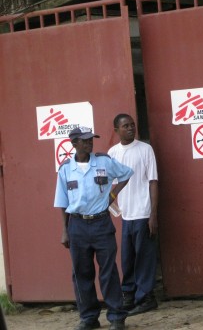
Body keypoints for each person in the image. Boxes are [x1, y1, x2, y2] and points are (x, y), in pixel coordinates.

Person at [54, 126, 134, 330]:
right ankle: (89, 317)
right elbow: (62, 202)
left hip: (101, 223)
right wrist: (65, 230)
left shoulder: (104, 162)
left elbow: (126, 174)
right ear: (74, 144)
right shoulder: (65, 169)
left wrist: (113, 195)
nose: (90, 142)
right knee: (81, 273)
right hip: (77, 225)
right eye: (85, 140)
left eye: (91, 139)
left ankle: (116, 317)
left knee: (108, 271)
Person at [108, 114, 159, 316]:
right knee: (127, 258)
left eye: (132, 125)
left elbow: (153, 181)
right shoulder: (112, 153)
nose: (130, 128)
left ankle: (146, 297)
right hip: (126, 215)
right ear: (116, 130)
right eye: (125, 126)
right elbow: (109, 185)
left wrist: (153, 214)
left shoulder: (145, 150)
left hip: (143, 212)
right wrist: (112, 208)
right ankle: (128, 296)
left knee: (144, 257)